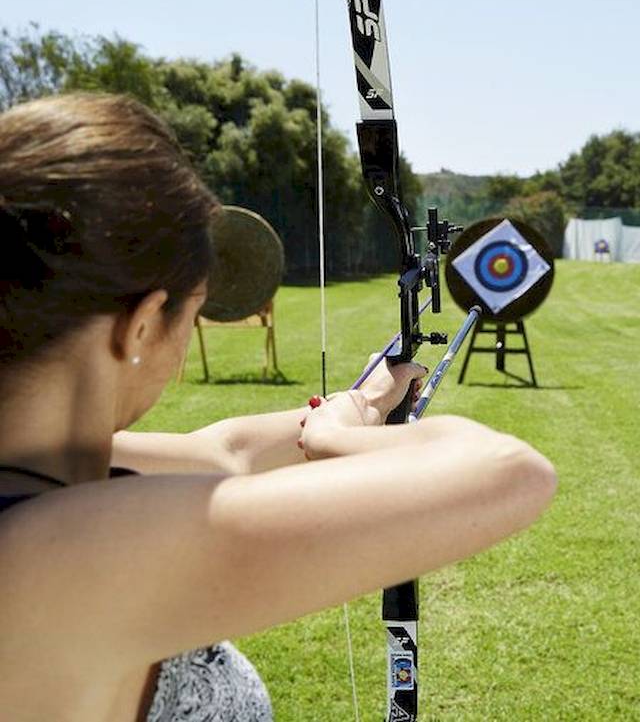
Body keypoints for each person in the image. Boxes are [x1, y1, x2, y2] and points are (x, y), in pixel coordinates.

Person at [0, 93, 557, 721]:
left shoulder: (56, 468)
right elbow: (511, 472)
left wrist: (364, 400)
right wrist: (338, 440)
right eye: (193, 310)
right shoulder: (71, 550)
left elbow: (226, 455)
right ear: (143, 324)